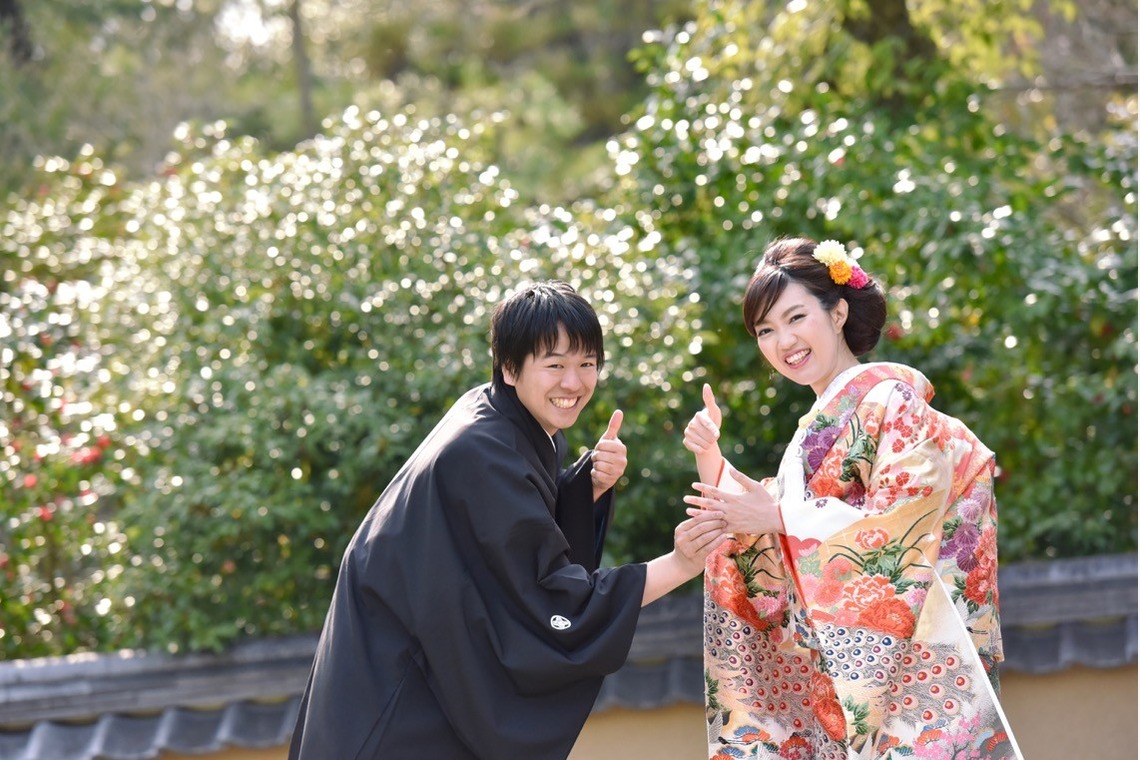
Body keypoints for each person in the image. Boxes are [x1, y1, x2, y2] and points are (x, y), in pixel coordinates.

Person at [289, 280, 727, 759]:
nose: (574, 383)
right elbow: (546, 598)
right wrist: (680, 564)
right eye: (555, 365)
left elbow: (509, 537)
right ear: (510, 367)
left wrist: (585, 488)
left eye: (587, 364)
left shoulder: (497, 417)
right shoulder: (482, 453)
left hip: (392, 689)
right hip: (395, 708)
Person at [682, 238, 1022, 759]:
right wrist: (710, 455)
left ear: (838, 312)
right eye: (766, 330)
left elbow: (905, 515)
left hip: (912, 673)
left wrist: (777, 515)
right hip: (837, 676)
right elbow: (762, 528)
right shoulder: (812, 431)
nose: (783, 341)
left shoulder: (889, 398)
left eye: (796, 317)